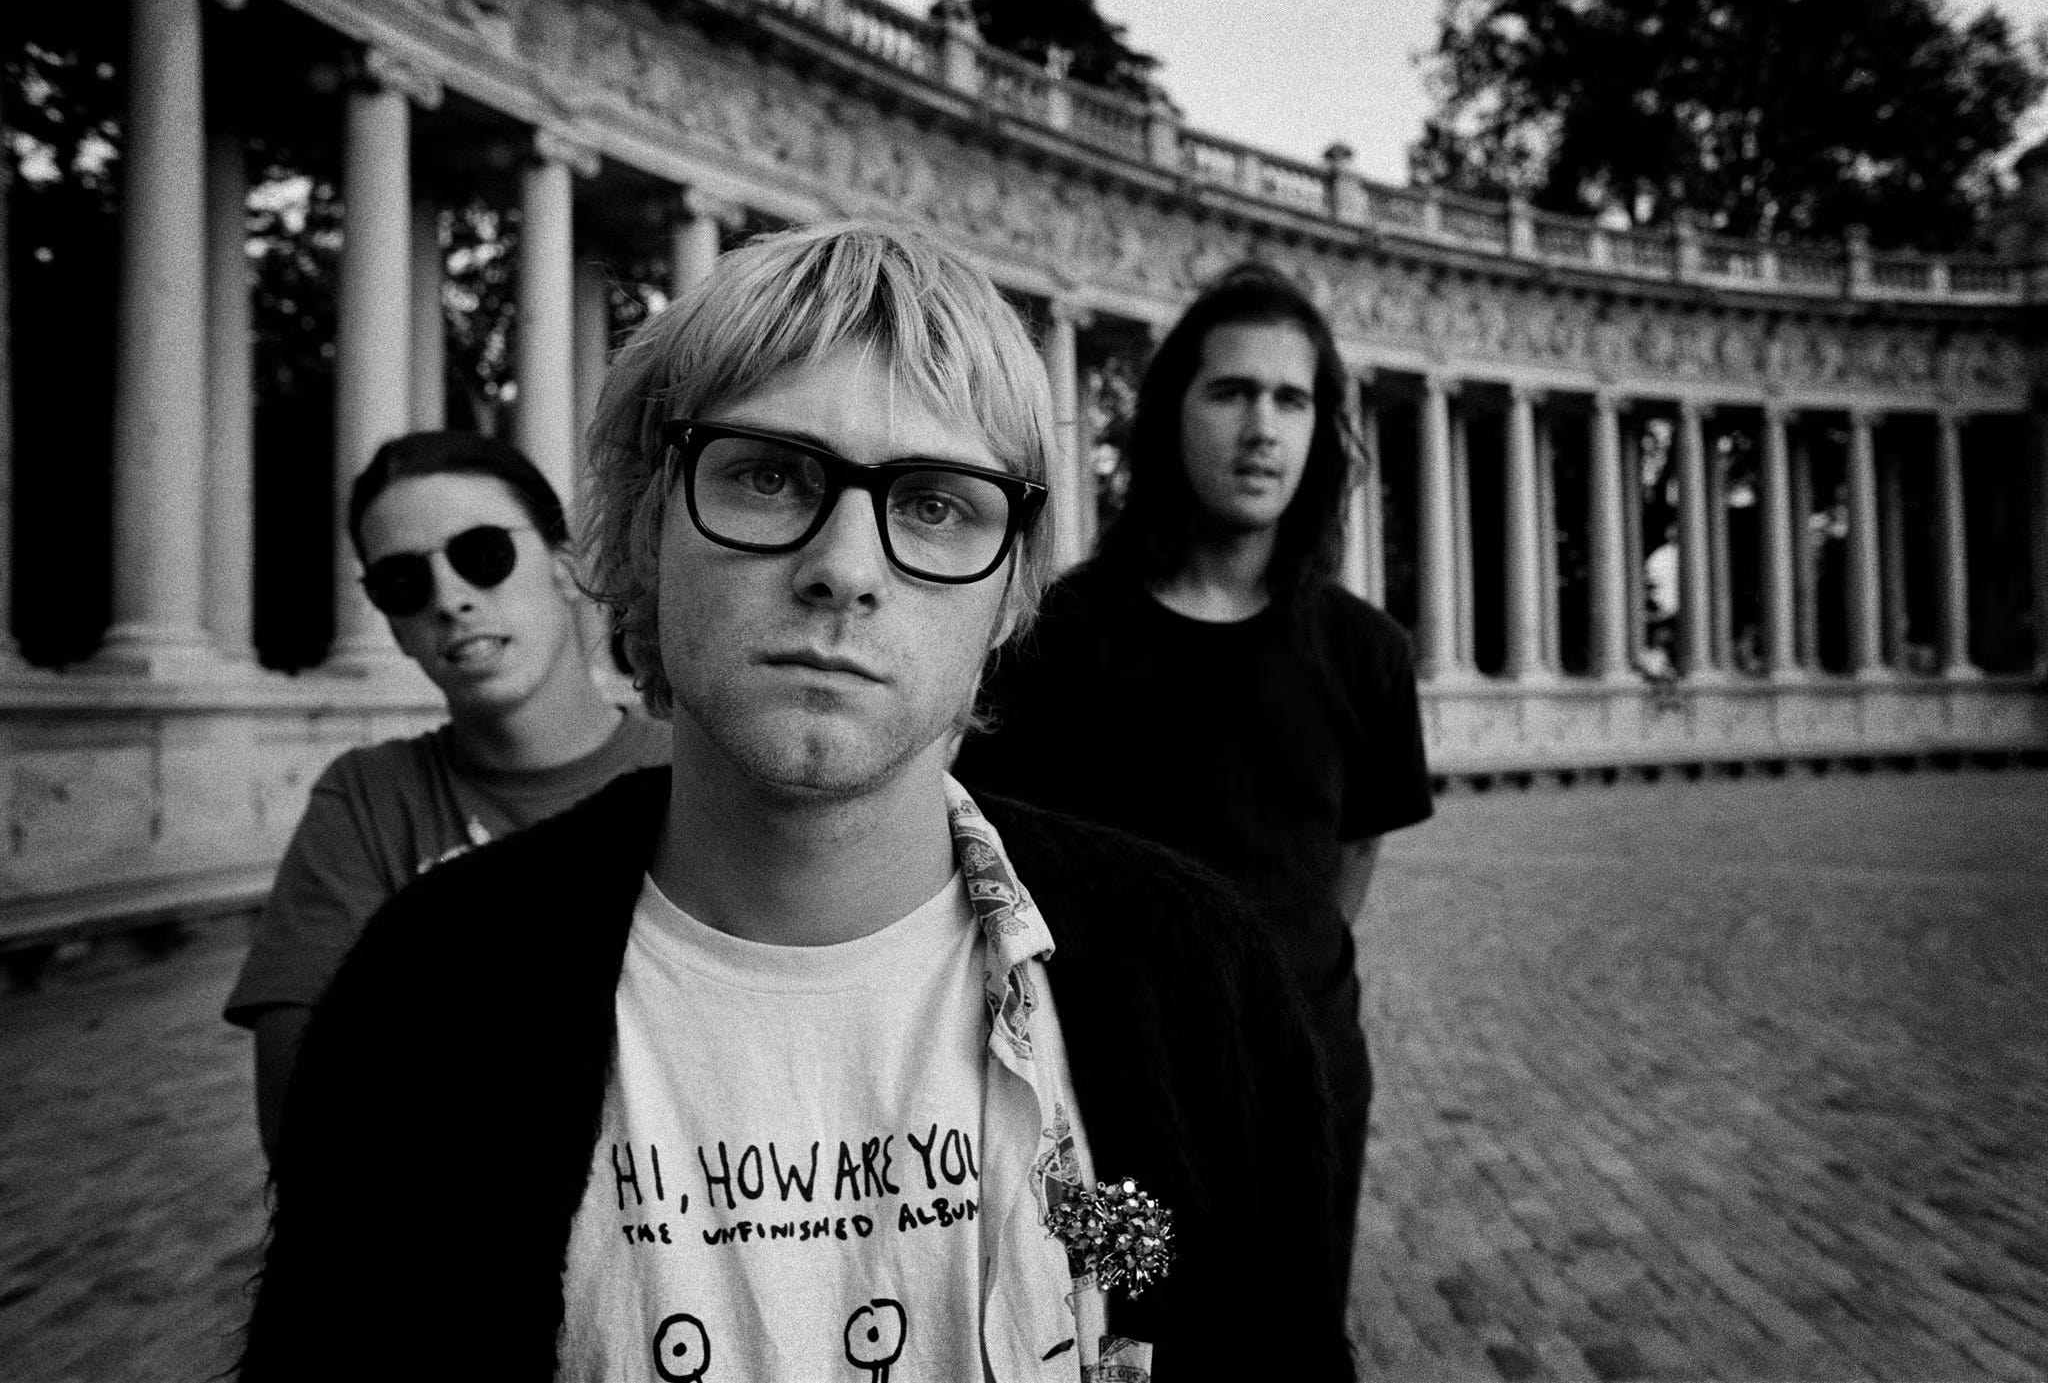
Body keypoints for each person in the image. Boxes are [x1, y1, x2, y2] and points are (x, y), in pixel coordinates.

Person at [237, 224, 1351, 1381]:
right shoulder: (424, 990)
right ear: (644, 530)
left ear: (1011, 593)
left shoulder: (1200, 976)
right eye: (768, 475)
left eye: (934, 504)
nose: (845, 569)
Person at [954, 262, 1435, 1284]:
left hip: (1308, 1079)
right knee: (1118, 1344)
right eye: (1231, 392)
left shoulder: (1368, 654)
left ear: (1320, 431)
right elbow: (1002, 867)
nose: (1262, 427)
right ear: (1171, 411)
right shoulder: (1052, 638)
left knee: (1296, 1339)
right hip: (1111, 1094)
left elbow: (1349, 857)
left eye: (1291, 399)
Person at [223, 432, 669, 1156]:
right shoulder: (366, 799)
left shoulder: (699, 773)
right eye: (402, 582)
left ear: (563, 566)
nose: (449, 599)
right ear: (393, 627)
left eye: (482, 554)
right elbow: (306, 1129)